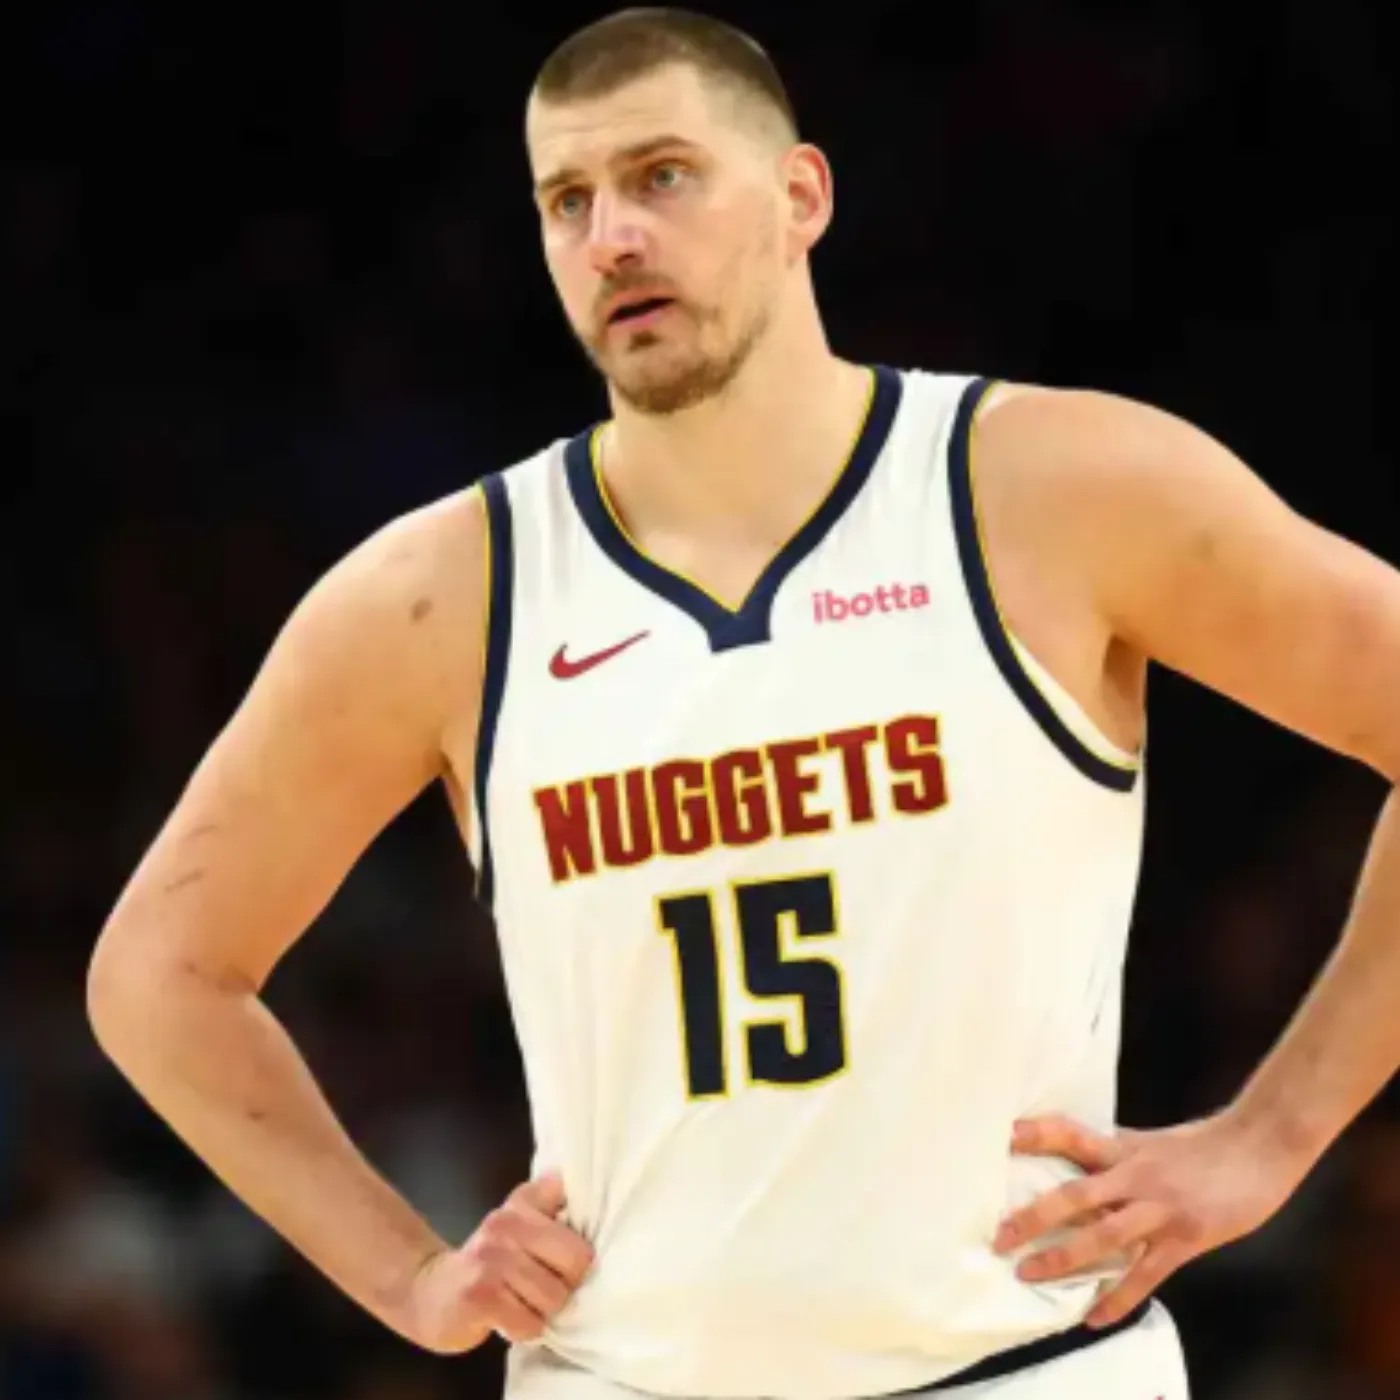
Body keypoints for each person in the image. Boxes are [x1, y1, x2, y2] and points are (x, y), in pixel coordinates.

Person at [87, 7, 1400, 1400]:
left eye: (662, 176)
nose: (612, 238)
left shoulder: (1054, 488)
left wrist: (1273, 1139)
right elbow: (161, 975)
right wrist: (409, 1277)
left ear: (800, 196)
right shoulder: (443, 593)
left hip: (1026, 1368)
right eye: (566, 201)